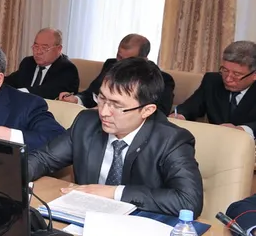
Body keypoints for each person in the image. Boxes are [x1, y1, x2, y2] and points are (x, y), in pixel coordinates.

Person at [30, 58, 203, 217]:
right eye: (102, 99)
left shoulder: (171, 140)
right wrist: (15, 176)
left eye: (117, 106)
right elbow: (42, 159)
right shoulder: (86, 123)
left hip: (138, 228)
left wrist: (114, 192)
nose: (104, 112)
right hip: (84, 220)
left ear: (147, 110)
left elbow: (188, 202)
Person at [58, 34, 175, 114]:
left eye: (127, 60)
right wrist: (76, 99)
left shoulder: (163, 80)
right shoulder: (111, 65)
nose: (120, 63)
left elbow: (160, 114)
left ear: (143, 59)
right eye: (119, 56)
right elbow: (91, 94)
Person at [173, 41, 256, 139]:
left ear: (254, 75)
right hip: (215, 141)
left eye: (236, 74)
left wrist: (242, 129)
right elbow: (191, 106)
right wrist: (180, 115)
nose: (228, 78)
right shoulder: (212, 81)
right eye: (225, 70)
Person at [4, 28, 79, 100]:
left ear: (59, 49)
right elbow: (12, 81)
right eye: (36, 47)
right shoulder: (28, 62)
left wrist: (20, 93)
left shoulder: (67, 69)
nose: (38, 52)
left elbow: (49, 91)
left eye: (44, 48)